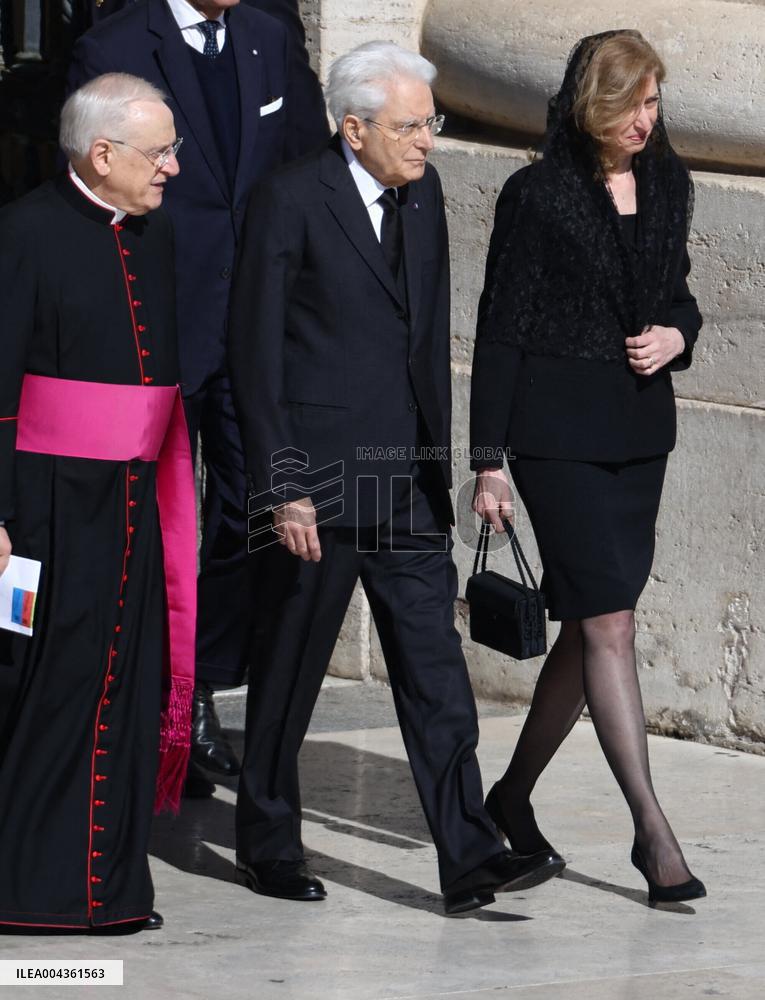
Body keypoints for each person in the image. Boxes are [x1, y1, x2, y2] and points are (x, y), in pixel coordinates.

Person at [228, 40, 564, 916]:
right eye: (411, 125)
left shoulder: (424, 196)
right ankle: (265, 839)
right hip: (314, 484)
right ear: (353, 126)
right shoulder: (288, 199)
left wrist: (450, 466)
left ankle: (467, 857)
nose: (427, 140)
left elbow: (426, 343)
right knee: (290, 669)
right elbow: (253, 356)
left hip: (405, 479)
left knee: (434, 669)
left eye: (432, 122)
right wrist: (281, 484)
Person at [67, 0, 329, 789]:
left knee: (257, 509)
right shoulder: (112, 46)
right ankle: (144, 700)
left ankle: (202, 679)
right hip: (158, 323)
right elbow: (91, 194)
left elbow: (309, 166)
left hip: (259, 328)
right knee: (148, 518)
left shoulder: (269, 37)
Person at [470, 30, 706, 904]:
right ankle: (653, 836)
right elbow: (500, 328)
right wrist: (487, 461)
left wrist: (678, 334)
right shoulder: (534, 195)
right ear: (590, 104)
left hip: (641, 436)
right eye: (631, 103)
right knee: (609, 625)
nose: (645, 120)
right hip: (556, 440)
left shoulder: (670, 183)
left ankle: (511, 794)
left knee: (590, 625)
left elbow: (677, 291)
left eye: (654, 102)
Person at [0, 73, 195, 930]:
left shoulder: (152, 237)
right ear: (102, 152)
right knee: (44, 688)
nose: (175, 169)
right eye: (161, 152)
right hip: (44, 505)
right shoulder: (24, 232)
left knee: (123, 687)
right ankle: (28, 894)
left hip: (131, 503)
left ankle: (107, 893)